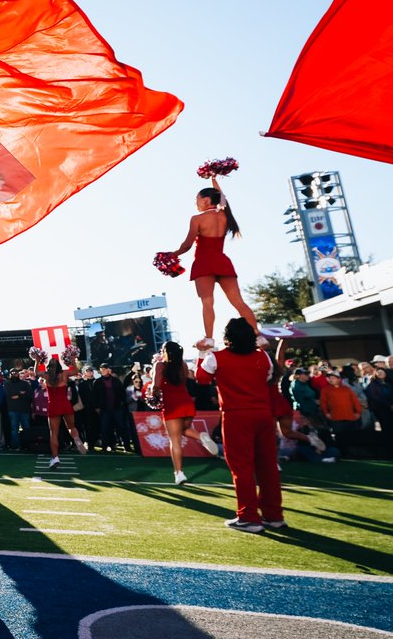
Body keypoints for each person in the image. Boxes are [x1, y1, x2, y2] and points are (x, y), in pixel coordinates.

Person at [195, 318, 284, 532]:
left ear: (228, 337)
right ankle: (274, 516)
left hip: (236, 416)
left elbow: (201, 379)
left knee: (241, 467)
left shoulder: (215, 358)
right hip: (263, 414)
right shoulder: (263, 357)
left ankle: (248, 516)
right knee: (268, 466)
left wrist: (200, 353)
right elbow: (269, 378)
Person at [168, 177, 262, 351]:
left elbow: (187, 245)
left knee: (207, 303)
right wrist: (214, 178)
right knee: (239, 302)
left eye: (197, 199)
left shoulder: (197, 219)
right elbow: (223, 197)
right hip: (222, 261)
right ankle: (258, 335)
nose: (195, 203)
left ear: (205, 200)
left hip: (204, 263)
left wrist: (172, 254)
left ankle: (210, 339)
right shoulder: (225, 215)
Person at [151, 342, 210, 484]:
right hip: (186, 402)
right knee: (183, 430)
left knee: (175, 440)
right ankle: (201, 436)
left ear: (166, 352)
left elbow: (156, 385)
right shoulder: (183, 365)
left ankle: (179, 473)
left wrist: (153, 393)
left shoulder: (160, 366)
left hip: (172, 404)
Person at [44, 358, 87, 468]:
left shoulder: (46, 376)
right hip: (64, 403)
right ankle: (76, 439)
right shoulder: (64, 374)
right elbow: (76, 371)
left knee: (54, 433)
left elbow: (36, 372)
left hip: (53, 405)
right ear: (59, 365)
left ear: (49, 366)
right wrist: (72, 359)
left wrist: (37, 360)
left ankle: (55, 457)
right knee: (71, 426)